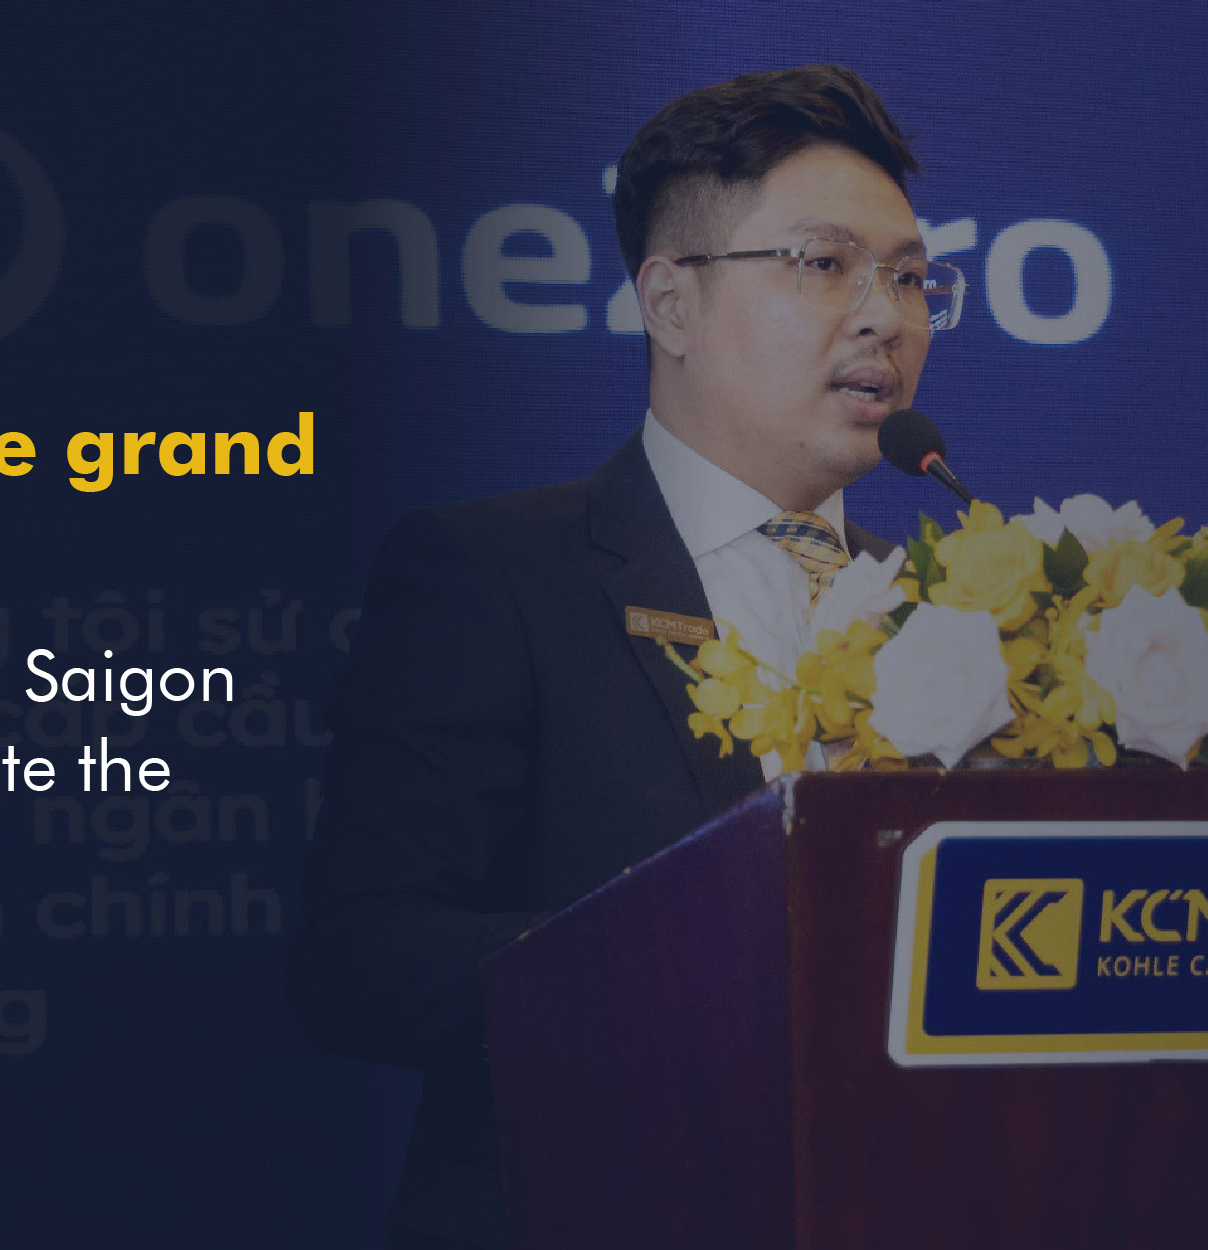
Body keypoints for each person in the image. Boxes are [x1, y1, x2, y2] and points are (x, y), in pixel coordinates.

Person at [289, 64, 960, 1248]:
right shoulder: (496, 574)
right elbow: (361, 956)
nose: (883, 316)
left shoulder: (954, 612)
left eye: (907, 276)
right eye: (823, 264)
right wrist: (705, 957)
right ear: (669, 304)